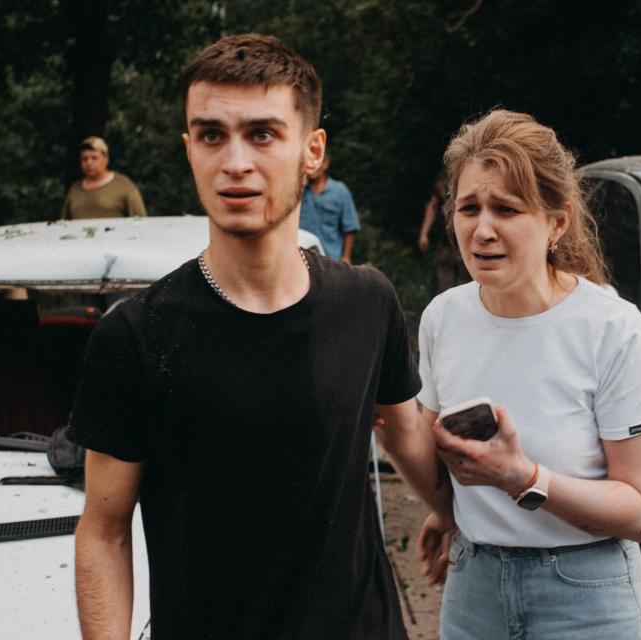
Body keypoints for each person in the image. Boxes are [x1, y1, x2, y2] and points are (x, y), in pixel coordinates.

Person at [68, 34, 448, 640]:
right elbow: (104, 532)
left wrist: (463, 514)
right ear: (189, 149)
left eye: (263, 134)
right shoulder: (137, 335)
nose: (235, 162)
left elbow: (408, 437)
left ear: (313, 150)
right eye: (212, 135)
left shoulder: (366, 302)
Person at [416, 109, 641, 639]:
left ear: (557, 222)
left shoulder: (611, 328)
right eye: (469, 208)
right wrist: (449, 510)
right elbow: (441, 448)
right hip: (475, 587)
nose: (482, 230)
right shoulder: (444, 318)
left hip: (587, 594)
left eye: (506, 209)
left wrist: (524, 480)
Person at [60, 136, 147, 219]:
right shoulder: (74, 190)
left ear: (106, 159)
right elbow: (64, 225)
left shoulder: (124, 186)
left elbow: (141, 223)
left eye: (94, 158)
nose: (89, 163)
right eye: (85, 159)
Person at [298, 151, 360, 263]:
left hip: (330, 258)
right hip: (302, 258)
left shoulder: (340, 191)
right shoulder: (300, 190)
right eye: (308, 163)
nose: (311, 167)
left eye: (315, 162)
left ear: (325, 164)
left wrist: (346, 256)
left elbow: (350, 227)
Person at [417, 173, 470, 293]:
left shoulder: (465, 181)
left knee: (467, 283)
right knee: (444, 284)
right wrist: (424, 234)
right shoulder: (441, 182)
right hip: (444, 243)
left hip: (462, 242)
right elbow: (432, 207)